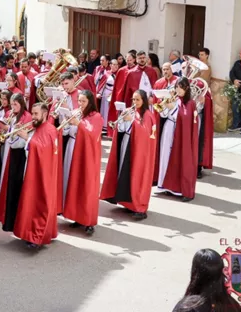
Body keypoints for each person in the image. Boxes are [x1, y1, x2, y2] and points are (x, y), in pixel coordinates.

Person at [101, 90, 156, 220]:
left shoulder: (148, 115)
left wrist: (133, 121)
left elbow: (145, 134)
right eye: (133, 100)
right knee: (125, 172)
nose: (135, 103)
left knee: (137, 177)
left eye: (137, 100)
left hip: (140, 151)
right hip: (127, 144)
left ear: (144, 101)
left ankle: (139, 207)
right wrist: (122, 122)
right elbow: (125, 129)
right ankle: (127, 202)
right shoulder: (132, 112)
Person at [12, 103, 60, 249]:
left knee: (39, 202)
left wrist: (27, 138)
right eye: (32, 113)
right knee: (29, 201)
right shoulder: (36, 127)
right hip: (32, 168)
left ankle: (37, 236)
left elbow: (44, 149)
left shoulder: (50, 129)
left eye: (36, 114)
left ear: (45, 114)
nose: (33, 117)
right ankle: (28, 232)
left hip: (43, 173)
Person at [60, 90, 103, 235]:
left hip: (88, 156)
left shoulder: (96, 116)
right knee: (74, 184)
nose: (81, 104)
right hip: (74, 150)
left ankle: (89, 221)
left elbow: (92, 134)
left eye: (84, 101)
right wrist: (65, 120)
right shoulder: (77, 112)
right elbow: (66, 132)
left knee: (87, 187)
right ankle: (76, 216)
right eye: (79, 101)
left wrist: (78, 123)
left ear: (90, 102)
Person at [0, 93, 32, 233]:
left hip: (19, 151)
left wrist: (10, 129)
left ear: (21, 104)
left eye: (15, 104)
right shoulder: (10, 113)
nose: (13, 107)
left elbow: (25, 133)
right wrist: (3, 126)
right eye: (11, 104)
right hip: (9, 148)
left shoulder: (26, 116)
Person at [157, 77, 199, 201]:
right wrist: (166, 106)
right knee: (166, 156)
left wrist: (173, 108)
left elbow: (186, 119)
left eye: (180, 87)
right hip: (169, 129)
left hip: (182, 133)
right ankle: (166, 186)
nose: (178, 89)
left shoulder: (190, 103)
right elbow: (163, 114)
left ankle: (183, 189)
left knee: (182, 159)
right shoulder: (173, 99)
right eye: (176, 87)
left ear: (186, 88)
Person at [98, 59, 117, 132]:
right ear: (110, 65)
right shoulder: (106, 74)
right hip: (107, 93)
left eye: (116, 65)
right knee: (105, 110)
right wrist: (99, 93)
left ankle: (112, 126)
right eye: (114, 64)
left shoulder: (120, 73)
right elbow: (102, 84)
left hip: (115, 94)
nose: (115, 66)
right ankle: (105, 126)